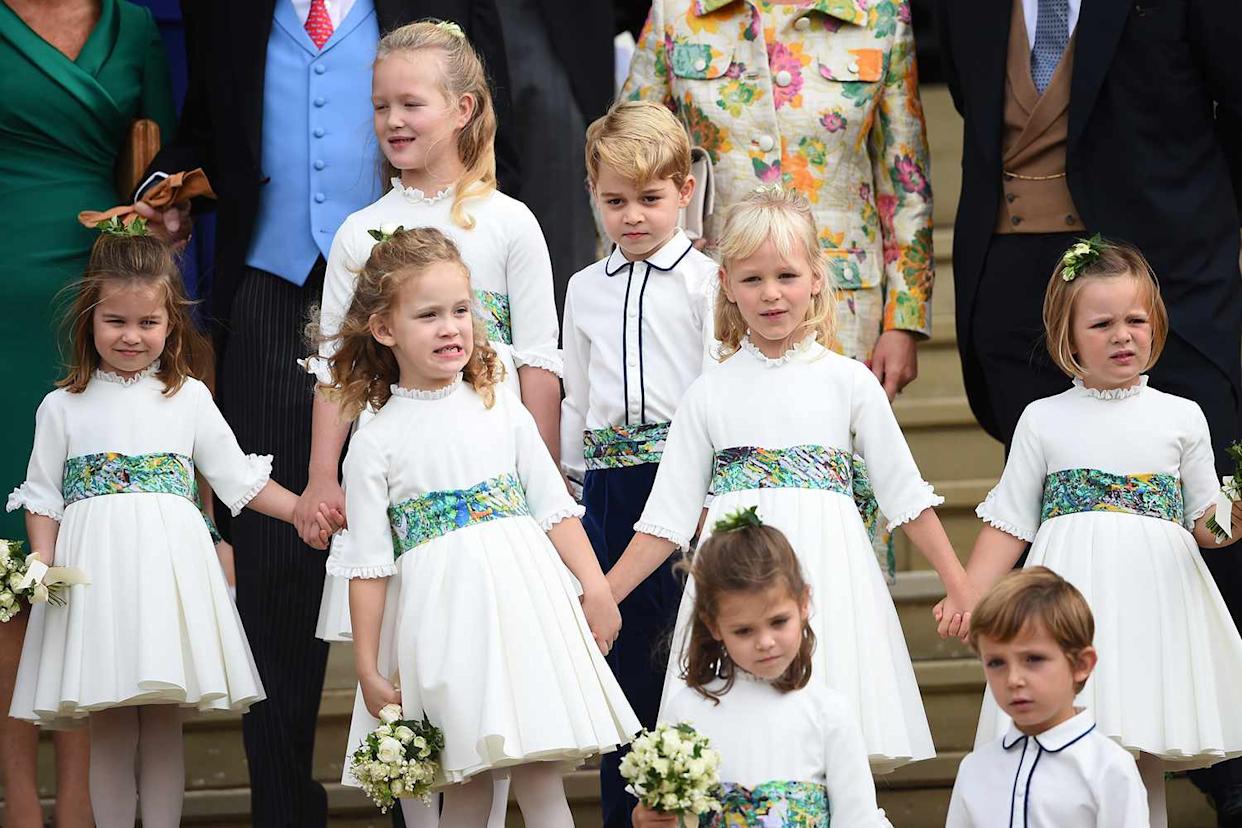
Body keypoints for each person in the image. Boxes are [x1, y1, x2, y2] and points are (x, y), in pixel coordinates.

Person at [137, 3, 516, 823]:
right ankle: (281, 800)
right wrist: (166, 185)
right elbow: (209, 128)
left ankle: (442, 792)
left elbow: (491, 125)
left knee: (429, 529)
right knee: (277, 550)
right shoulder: (228, 12)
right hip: (274, 288)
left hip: (414, 290)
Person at [606, 189, 974, 785]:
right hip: (734, 590)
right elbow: (665, 521)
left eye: (786, 275)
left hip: (829, 585)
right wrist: (604, 595)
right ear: (726, 283)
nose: (771, 293)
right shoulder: (708, 394)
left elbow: (904, 497)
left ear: (816, 279)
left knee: (831, 754)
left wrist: (960, 586)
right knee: (738, 755)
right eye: (752, 279)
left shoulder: (850, 383)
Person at [5, 230, 330, 828]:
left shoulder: (190, 399)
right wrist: (44, 562)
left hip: (165, 576)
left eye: (148, 322)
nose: (131, 336)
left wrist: (302, 509)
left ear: (171, 323)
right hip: (95, 582)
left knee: (159, 720)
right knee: (108, 723)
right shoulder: (62, 407)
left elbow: (239, 481)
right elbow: (43, 495)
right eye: (116, 321)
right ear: (90, 319)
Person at [316, 226, 639, 827]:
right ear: (384, 330)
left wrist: (595, 587)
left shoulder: (501, 405)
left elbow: (553, 509)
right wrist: (366, 664)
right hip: (444, 625)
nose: (450, 327)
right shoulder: (375, 438)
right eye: (428, 315)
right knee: (466, 781)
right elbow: (369, 564)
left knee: (541, 777)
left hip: (525, 609)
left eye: (461, 310)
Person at [942, 239, 1242, 827]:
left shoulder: (1181, 416)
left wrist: (1234, 511)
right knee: (1084, 735)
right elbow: (1010, 518)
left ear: (1155, 325)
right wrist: (967, 591)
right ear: (1068, 336)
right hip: (1072, 597)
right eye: (1102, 323)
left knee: (1140, 734)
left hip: (1155, 598)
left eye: (1136, 320)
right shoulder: (1044, 419)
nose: (1122, 334)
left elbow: (1208, 523)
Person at [306, 19, 562, 643]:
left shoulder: (510, 223)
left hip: (498, 470)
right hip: (405, 476)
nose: (393, 120)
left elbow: (538, 364)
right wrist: (322, 474)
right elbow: (339, 368)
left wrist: (546, 477)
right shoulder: (357, 234)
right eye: (381, 106)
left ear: (462, 109)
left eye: (411, 104)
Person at [1, 1, 175, 816]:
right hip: (1, 295)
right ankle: (15, 799)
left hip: (102, 291)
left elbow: (161, 164)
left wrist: (157, 210)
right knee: (11, 545)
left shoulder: (134, 27)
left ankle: (80, 805)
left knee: (83, 541)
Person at [620, 0, 935, 396]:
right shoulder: (678, 9)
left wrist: (903, 320)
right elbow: (623, 157)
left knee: (836, 452)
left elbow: (906, 181)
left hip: (842, 306)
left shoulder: (879, 12)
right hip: (711, 300)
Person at [561, 99, 720, 828]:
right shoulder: (584, 289)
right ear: (592, 192)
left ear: (685, 191)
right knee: (617, 654)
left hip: (684, 486)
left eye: (651, 199)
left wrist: (714, 492)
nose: (632, 216)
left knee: (685, 653)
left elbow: (718, 386)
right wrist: (570, 491)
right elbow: (576, 397)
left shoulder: (708, 282)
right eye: (614, 200)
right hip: (609, 493)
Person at [631, 509, 891, 828]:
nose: (765, 642)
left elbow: (857, 819)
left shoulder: (829, 712)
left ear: (804, 603)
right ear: (714, 625)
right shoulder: (687, 712)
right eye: (744, 630)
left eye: (779, 622)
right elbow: (669, 813)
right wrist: (650, 819)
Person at [946, 567, 1149, 827]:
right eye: (996, 663)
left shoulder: (1109, 768)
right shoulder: (974, 769)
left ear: (1081, 664)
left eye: (1033, 659)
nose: (1013, 679)